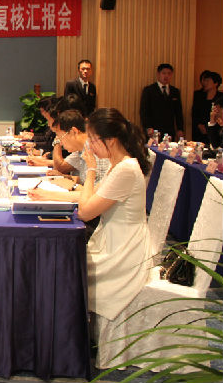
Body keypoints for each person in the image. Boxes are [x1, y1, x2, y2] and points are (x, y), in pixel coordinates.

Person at [77, 108, 153, 325]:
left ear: (110, 140)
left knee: (71, 264)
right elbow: (90, 196)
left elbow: (84, 212)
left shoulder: (125, 169)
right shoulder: (119, 165)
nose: (90, 146)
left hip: (123, 249)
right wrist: (45, 196)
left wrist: (91, 170)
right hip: (113, 238)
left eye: (93, 140)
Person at [139, 63, 184, 139]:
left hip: (169, 130)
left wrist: (180, 129)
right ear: (158, 74)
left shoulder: (175, 91)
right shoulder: (149, 90)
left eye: (169, 74)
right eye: (164, 73)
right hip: (153, 130)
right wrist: (148, 127)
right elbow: (144, 111)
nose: (166, 76)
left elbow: (178, 112)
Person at [192, 70, 222, 143]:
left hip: (215, 131)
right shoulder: (198, 96)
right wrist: (199, 125)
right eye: (204, 80)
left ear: (215, 83)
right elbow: (194, 112)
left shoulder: (220, 98)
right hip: (199, 131)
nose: (204, 83)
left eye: (207, 81)